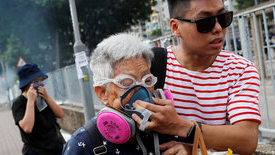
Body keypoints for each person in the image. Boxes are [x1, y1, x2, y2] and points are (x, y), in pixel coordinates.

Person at [131, 0, 261, 154]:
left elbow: (247, 140)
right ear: (176, 27)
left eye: (223, 18)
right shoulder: (150, 66)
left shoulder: (239, 70)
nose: (218, 28)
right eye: (206, 22)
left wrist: (183, 131)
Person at [63, 33, 192, 155]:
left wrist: (191, 150)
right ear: (102, 93)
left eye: (147, 80)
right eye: (126, 83)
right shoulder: (84, 144)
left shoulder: (167, 128)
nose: (142, 91)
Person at [12, 63, 65, 155]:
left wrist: (47, 97)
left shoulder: (42, 96)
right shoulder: (18, 103)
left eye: (41, 80)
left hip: (55, 147)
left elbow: (60, 114)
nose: (40, 84)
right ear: (26, 84)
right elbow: (27, 128)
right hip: (36, 150)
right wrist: (31, 101)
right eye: (36, 81)